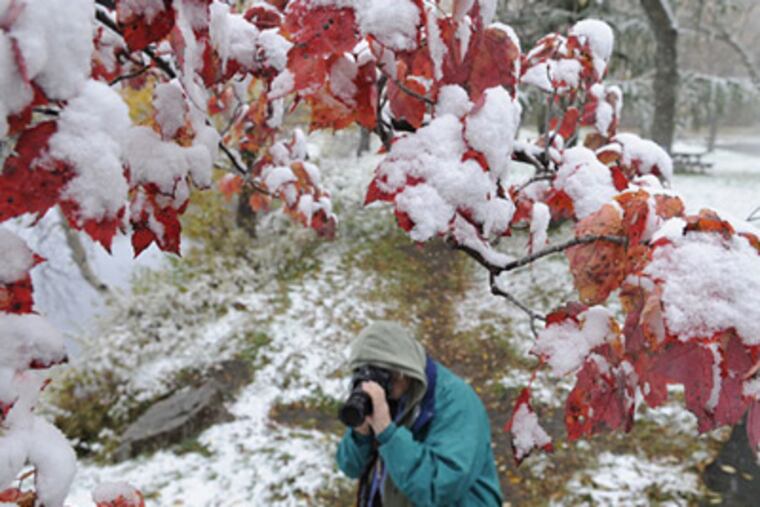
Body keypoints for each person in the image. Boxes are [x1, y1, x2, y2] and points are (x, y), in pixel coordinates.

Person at [336, 321, 503, 507]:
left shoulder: (457, 403)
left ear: (404, 371)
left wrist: (388, 434)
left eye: (383, 376)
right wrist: (360, 434)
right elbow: (350, 467)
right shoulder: (390, 397)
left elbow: (438, 487)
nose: (379, 386)